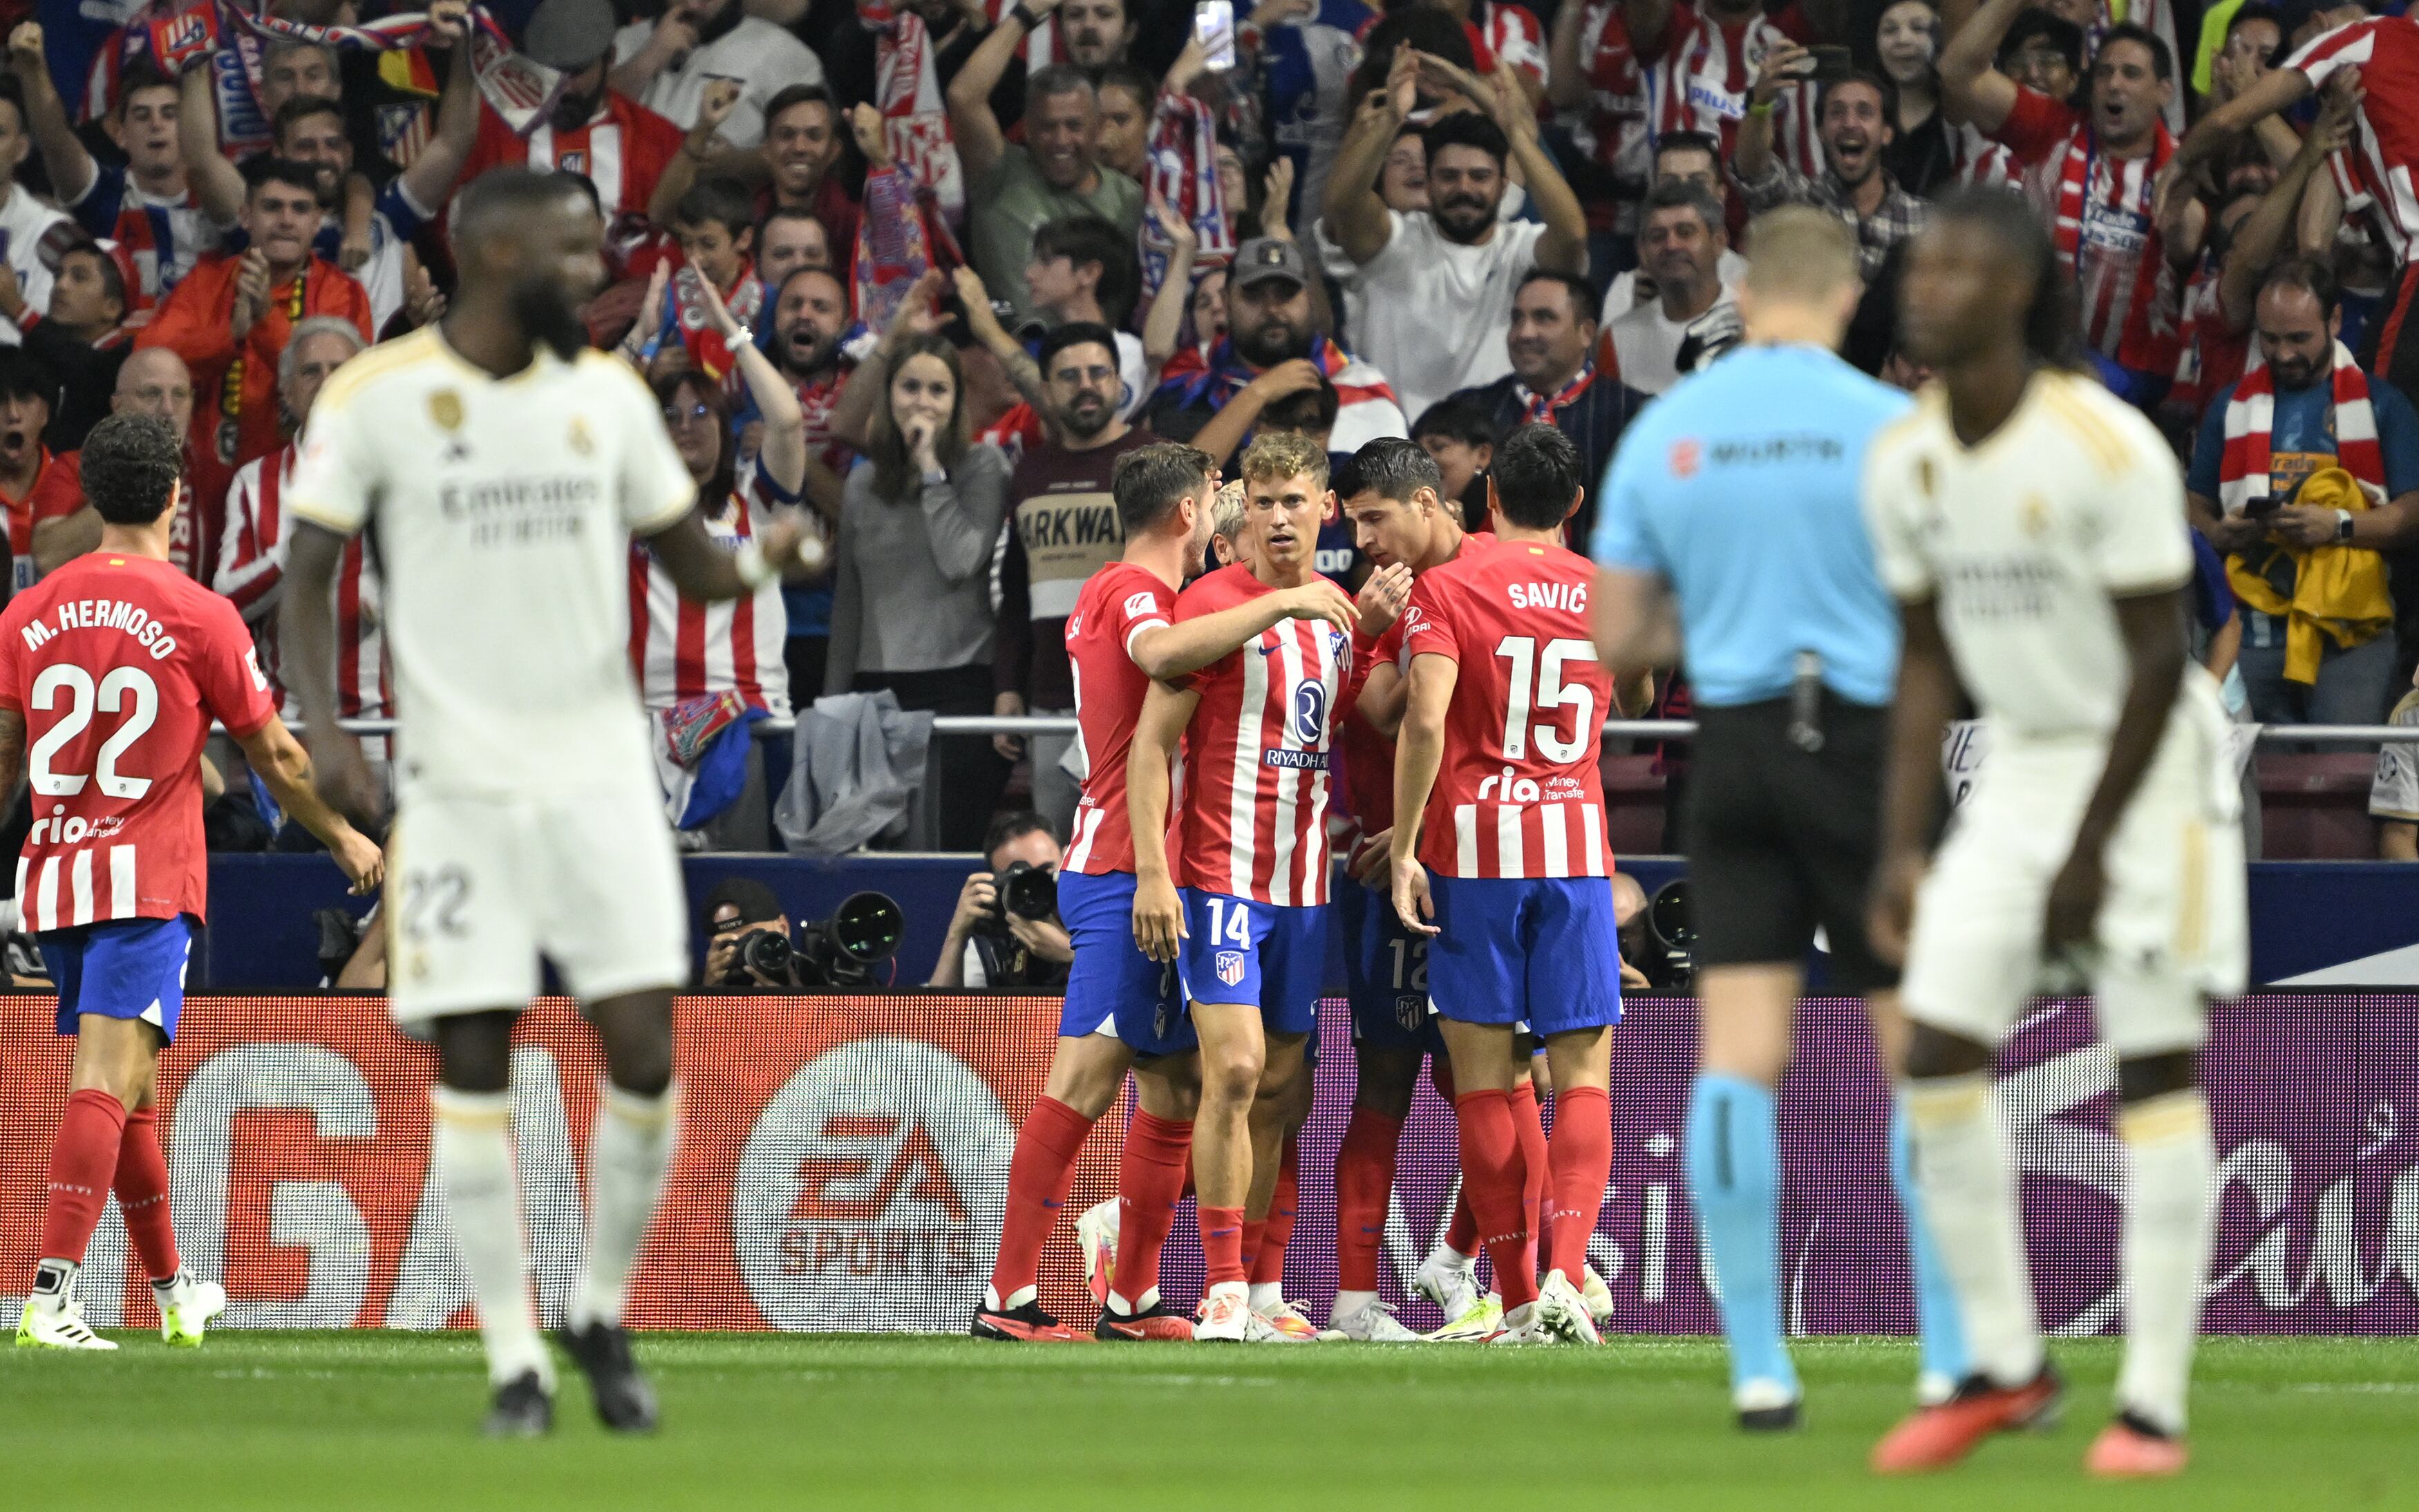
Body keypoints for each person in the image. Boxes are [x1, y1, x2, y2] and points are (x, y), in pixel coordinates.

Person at [280, 167, 815, 1435]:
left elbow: (694, 562)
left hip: (600, 779)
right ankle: (515, 1361)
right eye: (577, 254)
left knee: (644, 1047)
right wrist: (322, 728)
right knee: (475, 1058)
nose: (596, 274)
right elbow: (306, 576)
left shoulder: (608, 397)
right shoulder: (380, 397)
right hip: (460, 786)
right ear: (500, 248)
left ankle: (602, 1304)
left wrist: (765, 560)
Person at [1861, 185, 2247, 1477]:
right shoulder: (1905, 457)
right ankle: (2010, 1365)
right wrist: (1903, 844)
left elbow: (2159, 660)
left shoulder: (2107, 445)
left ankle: (2153, 1405)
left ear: (2021, 292)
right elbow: (1922, 666)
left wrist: (2088, 850)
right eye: (1925, 263)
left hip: (2145, 771)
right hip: (2020, 762)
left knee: (2151, 1068)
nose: (1931, 283)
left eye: (1965, 266)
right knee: (1934, 1045)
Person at [1591, 207, 1970, 1428]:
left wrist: (1725, 615)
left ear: (1748, 302)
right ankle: (1950, 1352)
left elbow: (1619, 642)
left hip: (1739, 745)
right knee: (1921, 1059)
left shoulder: (1673, 431)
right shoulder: (1897, 431)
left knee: (1740, 1058)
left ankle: (1758, 1360)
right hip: (1870, 749)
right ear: (1853, 300)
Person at [6, 412, 382, 1351]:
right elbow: (278, 757)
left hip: (60, 878)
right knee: (105, 1078)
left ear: (90, 496)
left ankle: (175, 1291)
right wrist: (340, 835)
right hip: (145, 880)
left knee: (133, 1090)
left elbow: (5, 753)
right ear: (178, 495)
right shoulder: (196, 613)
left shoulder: (27, 611)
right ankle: (50, 1296)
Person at [978, 441, 1357, 1343]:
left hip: (1156, 863)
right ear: (1189, 512)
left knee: (1174, 1089)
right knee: (1085, 1078)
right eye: (1224, 495)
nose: (1241, 507)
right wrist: (1288, 595)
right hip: (1121, 867)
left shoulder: (1123, 588)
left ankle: (1134, 1298)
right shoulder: (1136, 594)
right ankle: (1008, 1296)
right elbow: (1162, 658)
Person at [1126, 431, 1364, 1341]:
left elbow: (1328, 730)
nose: (1275, 518)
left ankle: (1263, 1293)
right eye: (1260, 501)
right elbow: (1152, 745)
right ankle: (1220, 1284)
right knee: (1232, 1069)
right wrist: (1155, 869)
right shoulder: (1213, 605)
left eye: (1293, 500)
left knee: (1282, 1093)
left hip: (1305, 884)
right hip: (1219, 879)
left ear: (1324, 508)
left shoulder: (1334, 611)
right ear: (1240, 514)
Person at [1391, 421, 1619, 1345]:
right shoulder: (1611, 592)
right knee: (1582, 1075)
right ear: (1573, 505)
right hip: (1574, 847)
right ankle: (1570, 1277)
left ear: (1487, 498)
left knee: (1485, 1083)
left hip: (1475, 854)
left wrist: (1406, 846)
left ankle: (1523, 1299)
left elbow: (1425, 716)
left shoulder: (1449, 586)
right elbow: (1636, 690)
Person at [1320, 437, 1509, 1342]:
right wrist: (1365, 626)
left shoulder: (1490, 579)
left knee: (1518, 1078)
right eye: (1354, 523)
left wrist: (1430, 825)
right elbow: (1384, 711)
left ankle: (1472, 1264)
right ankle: (1359, 1298)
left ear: (1428, 502)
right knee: (1387, 1080)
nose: (1363, 539)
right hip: (1390, 875)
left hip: (1483, 863)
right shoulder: (1386, 600)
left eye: (1372, 519)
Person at [2186, 256, 2419, 728]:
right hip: (2248, 633)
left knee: (2343, 776)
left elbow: (2412, 513)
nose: (2283, 354)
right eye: (2269, 339)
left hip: (2351, 637)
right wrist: (2219, 532)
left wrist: (2338, 526)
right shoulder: (2229, 406)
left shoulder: (2383, 405)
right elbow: (2194, 506)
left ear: (2335, 320)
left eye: (2298, 339)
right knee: (2244, 774)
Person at [1943, 0, 2194, 404]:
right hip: (2040, 354)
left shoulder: (2179, 172)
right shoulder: (2050, 129)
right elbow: (1956, 72)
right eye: (2105, 72)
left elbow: (2189, 244)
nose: (2114, 84)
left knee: (2074, 387)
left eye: (2131, 74)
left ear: (2164, 92)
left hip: (2134, 373)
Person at [2163, 8, 2419, 401]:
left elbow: (2316, 240)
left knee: (2387, 419)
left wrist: (2180, 160)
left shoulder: (2368, 41)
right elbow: (2302, 247)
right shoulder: (2358, 123)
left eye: (2268, 55)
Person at [824, 326, 1015, 851]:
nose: (923, 402)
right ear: (889, 395)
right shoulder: (864, 481)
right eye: (911, 387)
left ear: (957, 401)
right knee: (877, 853)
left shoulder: (982, 467)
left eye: (938, 390)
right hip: (874, 688)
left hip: (958, 683)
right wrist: (834, 704)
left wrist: (931, 470)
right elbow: (850, 601)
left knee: (943, 847)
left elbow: (961, 560)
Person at [1321, 48, 1588, 420]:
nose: (1464, 188)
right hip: (1396, 453)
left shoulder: (1521, 249)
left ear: (1504, 184)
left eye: (1480, 176)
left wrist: (1517, 134)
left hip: (1495, 448)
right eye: (1448, 177)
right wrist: (1392, 120)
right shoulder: (1395, 243)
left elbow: (1573, 234)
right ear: (1428, 183)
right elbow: (1343, 206)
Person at [629, 281, 800, 849]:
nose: (686, 424)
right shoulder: (625, 508)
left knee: (744, 886)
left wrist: (734, 333)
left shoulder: (755, 499)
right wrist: (640, 340)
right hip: (646, 723)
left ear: (724, 427)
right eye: (670, 414)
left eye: (702, 411)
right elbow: (574, 433)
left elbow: (788, 422)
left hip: (748, 723)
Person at [992, 319, 1151, 838]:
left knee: (1139, 845)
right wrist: (1007, 685)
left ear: (1117, 380)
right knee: (1059, 851)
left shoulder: (1153, 461)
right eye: (1069, 376)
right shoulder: (1029, 472)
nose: (1086, 385)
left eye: (1098, 372)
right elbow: (1016, 590)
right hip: (1051, 691)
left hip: (1135, 691)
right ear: (1046, 390)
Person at [135, 158, 373, 472]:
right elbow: (148, 361)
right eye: (272, 207)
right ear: (246, 216)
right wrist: (230, 335)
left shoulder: (342, 293)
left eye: (300, 209)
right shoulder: (205, 283)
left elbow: (344, 389)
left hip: (305, 474)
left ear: (317, 222)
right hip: (206, 480)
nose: (286, 220)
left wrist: (265, 317)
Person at [213, 317, 382, 741]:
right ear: (287, 392)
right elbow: (225, 604)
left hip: (385, 721)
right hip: (287, 724)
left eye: (340, 370)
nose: (326, 382)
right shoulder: (255, 483)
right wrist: (295, 549)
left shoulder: (403, 475)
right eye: (311, 371)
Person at [949, 0, 1145, 325]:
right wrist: (1024, 16)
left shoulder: (1129, 200)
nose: (1061, 141)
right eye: (1047, 126)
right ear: (1027, 128)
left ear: (1098, 128)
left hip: (1089, 361)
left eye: (1074, 126)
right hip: (1007, 356)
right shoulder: (999, 173)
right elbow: (963, 95)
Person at [1141, 236, 1407, 466]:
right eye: (1254, 296)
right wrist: (1260, 392)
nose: (1272, 310)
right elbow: (1178, 490)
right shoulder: (1191, 383)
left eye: (1285, 295)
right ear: (1225, 302)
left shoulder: (1358, 384)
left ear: (1310, 300)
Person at [459, 0, 688, 238]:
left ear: (610, 58)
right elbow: (455, 221)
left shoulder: (659, 140)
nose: (564, 87)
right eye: (552, 71)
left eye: (577, 72)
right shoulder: (493, 126)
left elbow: (673, 239)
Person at [8, 42, 199, 314]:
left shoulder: (214, 199)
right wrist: (35, 72)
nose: (156, 125)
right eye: (142, 116)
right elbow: (58, 145)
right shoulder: (108, 195)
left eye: (170, 114)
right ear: (120, 135)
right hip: (120, 350)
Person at [1442, 270, 1627, 542]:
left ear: (1586, 333)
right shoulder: (1465, 410)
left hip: (1597, 582)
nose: (1524, 333)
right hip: (1478, 580)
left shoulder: (1635, 415)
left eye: (1544, 318)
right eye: (1517, 319)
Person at [1735, 62, 1929, 283]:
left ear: (1886, 133)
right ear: (1820, 132)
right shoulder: (1795, 202)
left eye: (1864, 112)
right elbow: (1752, 168)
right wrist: (1761, 103)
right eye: (1837, 113)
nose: (1849, 123)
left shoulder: (1926, 222)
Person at [608, 0, 824, 148]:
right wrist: (648, 59)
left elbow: (814, 150)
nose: (693, 4)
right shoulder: (623, 42)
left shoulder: (783, 52)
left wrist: (738, 163)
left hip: (728, 204)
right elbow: (589, 126)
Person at [1599, 180, 1740, 402]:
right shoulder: (1618, 340)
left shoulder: (1760, 323)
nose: (1671, 245)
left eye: (1685, 232)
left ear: (1719, 242)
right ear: (1642, 252)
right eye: (1657, 236)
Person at [8, 239, 132, 449]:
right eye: (58, 275)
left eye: (79, 277)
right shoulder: (46, 355)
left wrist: (18, 309)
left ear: (112, 307)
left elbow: (88, 370)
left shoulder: (128, 361)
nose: (60, 286)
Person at [929, 811, 1075, 991]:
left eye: (1046, 871)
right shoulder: (993, 937)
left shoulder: (1097, 920)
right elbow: (941, 1015)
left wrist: (1071, 953)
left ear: (1069, 859)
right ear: (997, 882)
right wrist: (957, 935)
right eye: (1019, 878)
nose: (1035, 887)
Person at [1411, 395, 1495, 518]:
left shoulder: (1509, 516)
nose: (1421, 461)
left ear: (1483, 455)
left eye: (1438, 446)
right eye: (1416, 451)